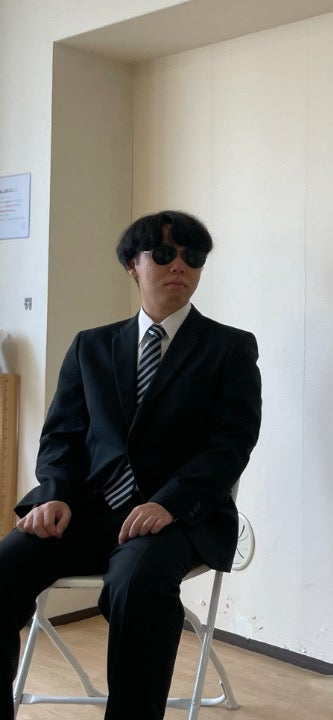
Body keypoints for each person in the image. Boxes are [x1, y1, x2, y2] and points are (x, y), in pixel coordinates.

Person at [0, 210, 262, 720]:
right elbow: (61, 437)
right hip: (87, 511)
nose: (179, 265)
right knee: (4, 568)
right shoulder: (91, 346)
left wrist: (169, 503)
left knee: (138, 584)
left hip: (177, 518)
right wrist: (54, 493)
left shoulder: (229, 348)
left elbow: (231, 445)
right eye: (163, 253)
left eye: (192, 256)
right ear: (132, 266)